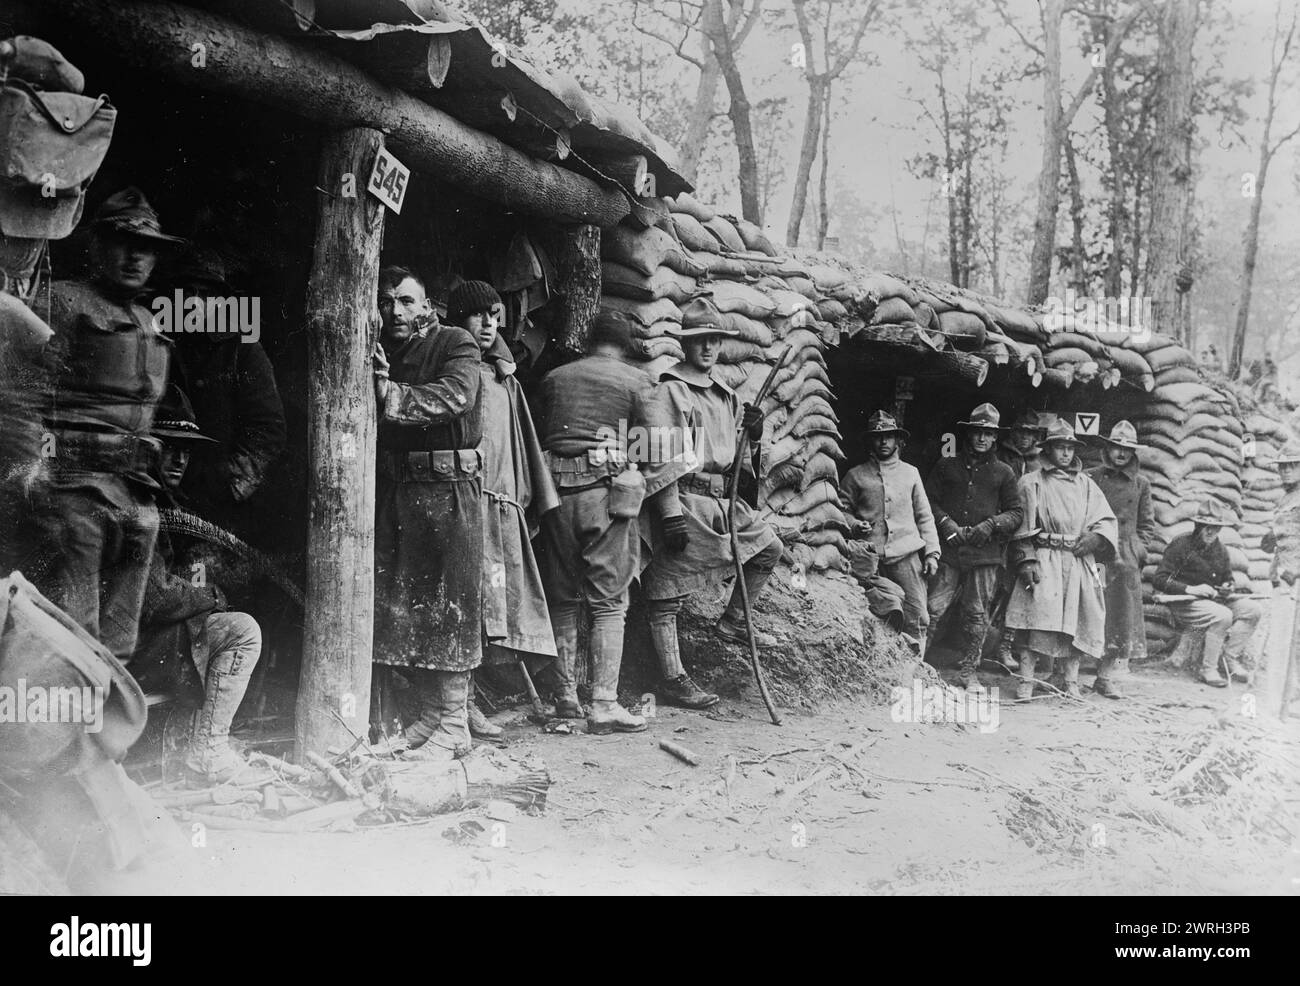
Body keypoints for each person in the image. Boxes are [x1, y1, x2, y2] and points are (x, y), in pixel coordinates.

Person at [40, 187, 183, 661]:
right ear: (97, 247)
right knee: (72, 636)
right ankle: (68, 717)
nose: (136, 255)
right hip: (72, 488)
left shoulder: (147, 319)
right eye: (123, 242)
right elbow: (23, 398)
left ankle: (108, 716)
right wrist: (34, 479)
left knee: (120, 639)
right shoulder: (61, 304)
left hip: (135, 491)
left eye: (148, 247)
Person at [640, 300, 782, 709]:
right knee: (666, 590)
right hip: (684, 499)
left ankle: (734, 622)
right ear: (686, 344)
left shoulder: (727, 396)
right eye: (700, 340)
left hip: (723, 501)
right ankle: (673, 678)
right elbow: (661, 454)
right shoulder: (671, 389)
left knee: (770, 547)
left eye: (714, 341)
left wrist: (754, 436)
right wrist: (668, 514)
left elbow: (741, 463)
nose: (707, 348)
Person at [372, 266, 483, 761]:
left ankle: (455, 724)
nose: (396, 311)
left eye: (407, 301)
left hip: (448, 488)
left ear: (428, 306)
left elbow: (456, 396)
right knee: (412, 604)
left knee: (450, 603)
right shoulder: (383, 351)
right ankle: (430, 717)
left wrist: (391, 395)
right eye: (387, 302)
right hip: (403, 491)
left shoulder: (455, 342)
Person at [133, 386, 270, 784]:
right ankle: (208, 751)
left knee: (222, 618)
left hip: (133, 635)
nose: (179, 459)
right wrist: (207, 597)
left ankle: (204, 743)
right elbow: (153, 598)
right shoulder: (141, 505)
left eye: (186, 450)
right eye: (169, 447)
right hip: (128, 644)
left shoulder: (160, 497)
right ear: (148, 445)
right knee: (242, 632)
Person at [535, 312, 654, 734]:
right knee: (609, 601)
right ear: (624, 345)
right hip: (605, 494)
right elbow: (649, 447)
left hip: (553, 495)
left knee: (564, 597)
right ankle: (604, 703)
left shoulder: (555, 378)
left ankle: (564, 697)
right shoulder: (637, 381)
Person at [458, 280, 559, 740]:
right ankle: (459, 706)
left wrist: (525, 498)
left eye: (494, 316)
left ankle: (474, 698)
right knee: (467, 602)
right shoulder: (456, 369)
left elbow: (521, 444)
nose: (487, 324)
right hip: (464, 503)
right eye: (477, 315)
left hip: (500, 507)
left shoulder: (505, 378)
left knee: (498, 606)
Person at [167, 246, 285, 537]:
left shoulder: (242, 350)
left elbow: (268, 430)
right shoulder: (161, 342)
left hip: (218, 503)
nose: (194, 301)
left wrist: (227, 484)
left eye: (205, 293)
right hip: (163, 489)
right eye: (186, 291)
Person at [1004, 418, 1118, 700]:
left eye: (1070, 447)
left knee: (1078, 618)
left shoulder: (1085, 485)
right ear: (1048, 450)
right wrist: (1026, 559)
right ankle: (1026, 680)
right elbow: (1020, 526)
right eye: (1060, 448)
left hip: (1078, 559)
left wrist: (1096, 538)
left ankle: (1070, 681)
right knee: (1035, 620)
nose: (1066, 453)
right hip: (1045, 558)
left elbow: (1104, 518)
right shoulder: (1031, 482)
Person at [924, 402, 1024, 689]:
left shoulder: (1004, 472)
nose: (982, 438)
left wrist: (991, 525)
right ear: (969, 434)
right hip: (951, 550)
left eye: (988, 433)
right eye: (978, 432)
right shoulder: (947, 465)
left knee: (976, 613)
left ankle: (969, 672)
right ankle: (917, 666)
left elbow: (1016, 513)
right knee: (933, 607)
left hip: (985, 554)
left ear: (995, 438)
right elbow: (928, 501)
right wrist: (946, 524)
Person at [838, 410, 939, 651]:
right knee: (880, 616)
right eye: (878, 437)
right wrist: (853, 524)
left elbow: (925, 516)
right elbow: (839, 510)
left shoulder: (910, 473)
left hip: (907, 556)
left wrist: (933, 553)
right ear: (870, 441)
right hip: (871, 558)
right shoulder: (855, 475)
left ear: (898, 441)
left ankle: (914, 671)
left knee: (917, 618)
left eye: (889, 436)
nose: (884, 442)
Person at [1154, 499, 1261, 688]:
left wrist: (1228, 587)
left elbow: (1228, 578)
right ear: (1197, 525)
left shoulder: (1221, 550)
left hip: (1213, 602)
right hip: (1184, 603)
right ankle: (1208, 669)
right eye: (1206, 527)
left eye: (1216, 528)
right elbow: (1160, 579)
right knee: (1223, 616)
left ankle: (1230, 658)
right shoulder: (1181, 544)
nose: (1211, 532)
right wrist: (1190, 589)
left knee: (1253, 610)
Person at [1085, 420, 1155, 698]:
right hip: (1097, 558)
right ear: (1108, 448)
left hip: (1125, 562)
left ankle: (1105, 676)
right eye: (1116, 447)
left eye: (1127, 449)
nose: (1121, 454)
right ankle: (1065, 673)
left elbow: (1147, 524)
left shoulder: (1141, 484)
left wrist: (1137, 550)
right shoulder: (1091, 478)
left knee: (1119, 617)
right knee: (1089, 607)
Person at [998, 410, 1046, 479]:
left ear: (1034, 436)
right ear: (1013, 433)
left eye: (1029, 433)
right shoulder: (1001, 456)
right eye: (1021, 432)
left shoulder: (1041, 458)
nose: (1025, 437)